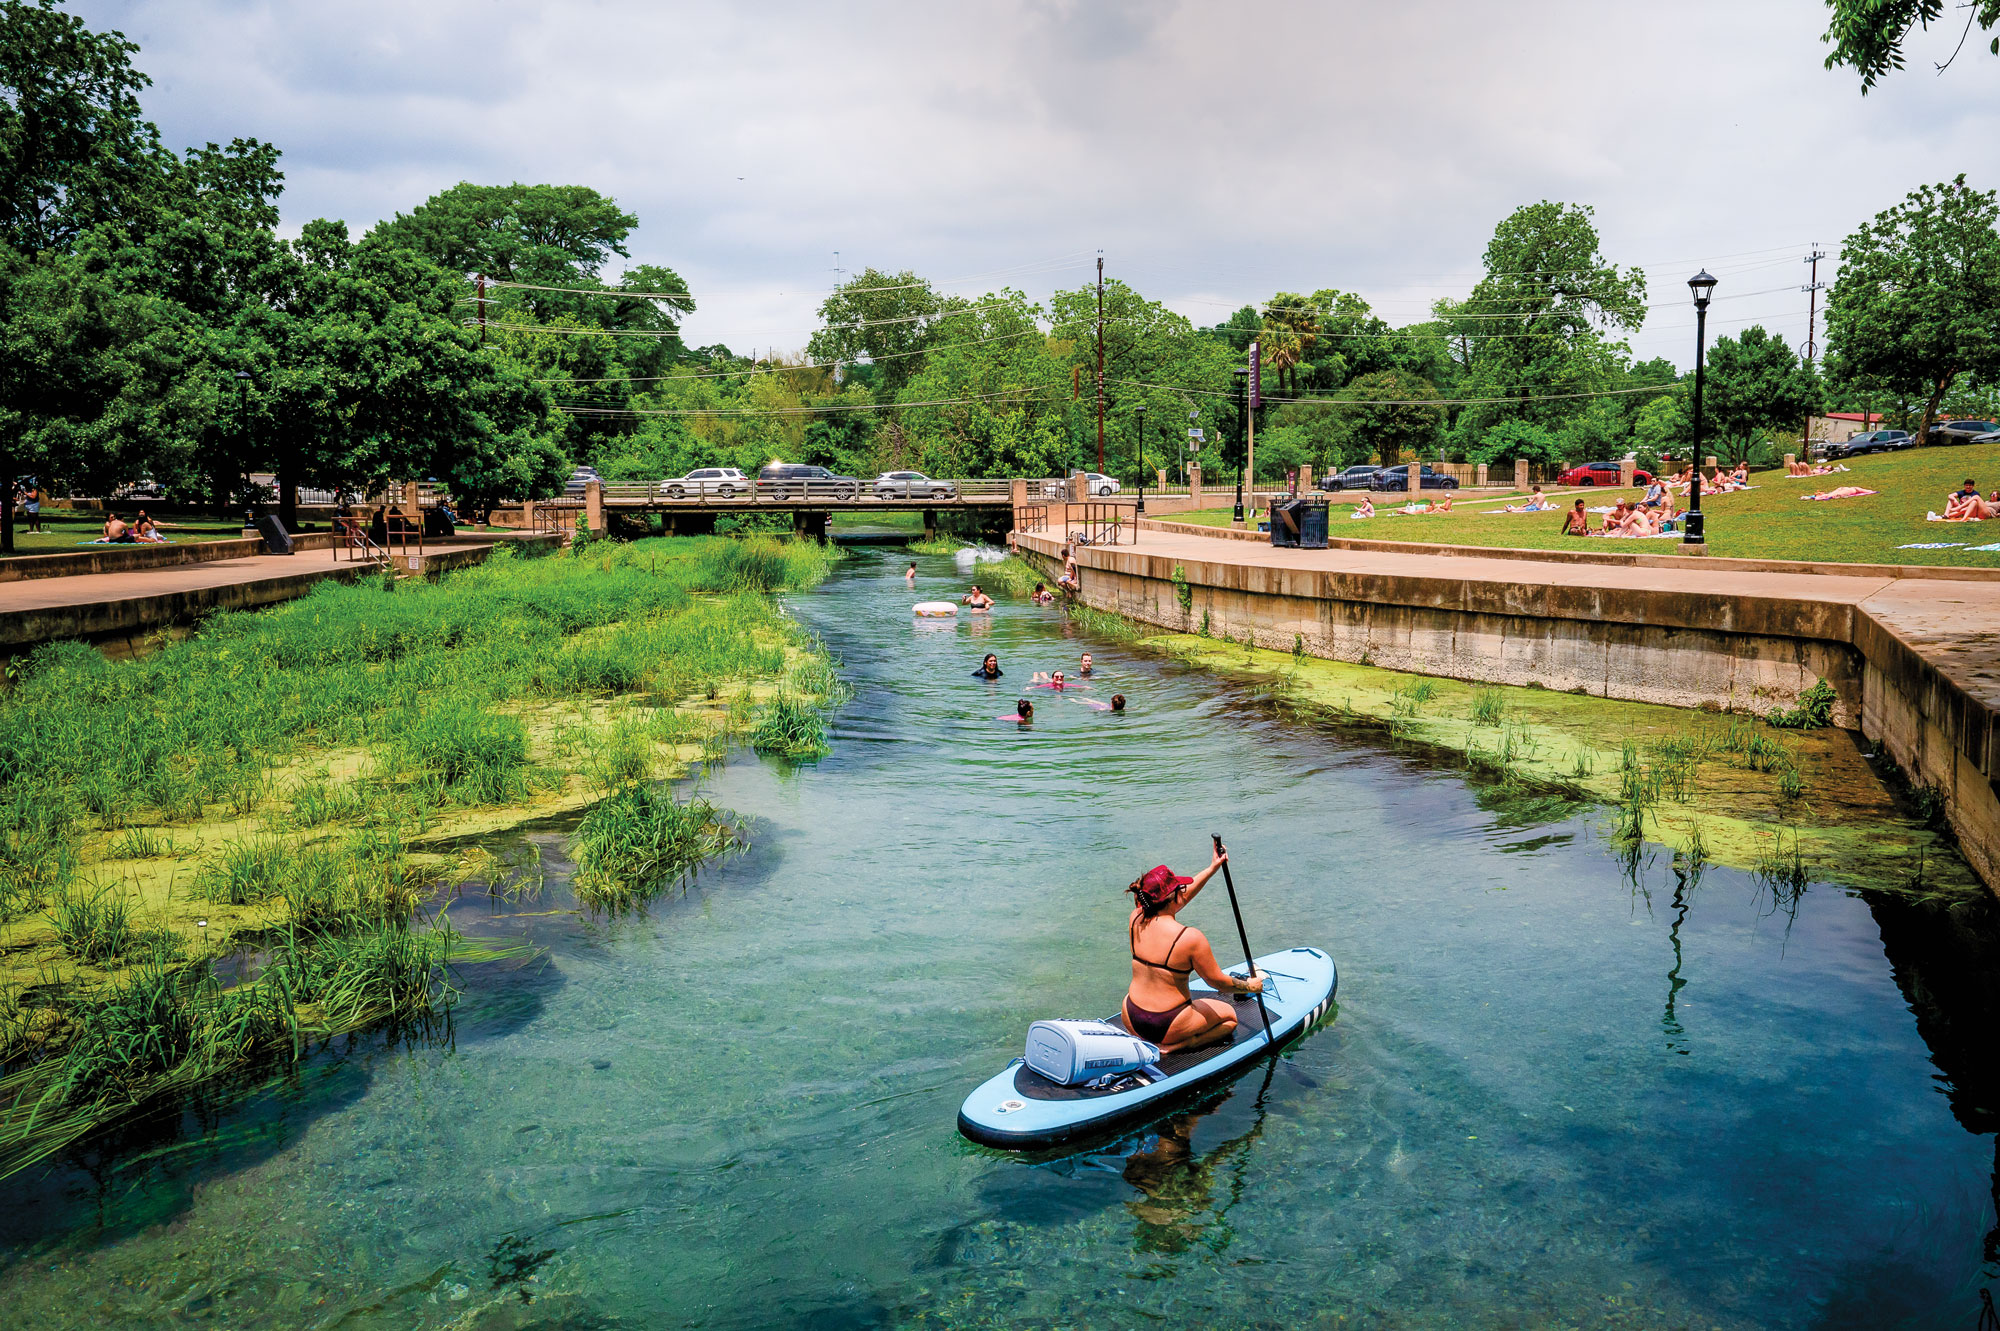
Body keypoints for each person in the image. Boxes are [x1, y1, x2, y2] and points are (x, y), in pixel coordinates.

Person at [1123, 846, 1265, 1053]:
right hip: (1169, 1024)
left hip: (1131, 1016)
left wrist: (1212, 868)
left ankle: (1156, 1039)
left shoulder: (1136, 917)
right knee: (1229, 1018)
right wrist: (1251, 986)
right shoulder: (1189, 938)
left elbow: (1178, 900)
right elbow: (1218, 983)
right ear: (1174, 897)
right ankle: (1180, 1045)